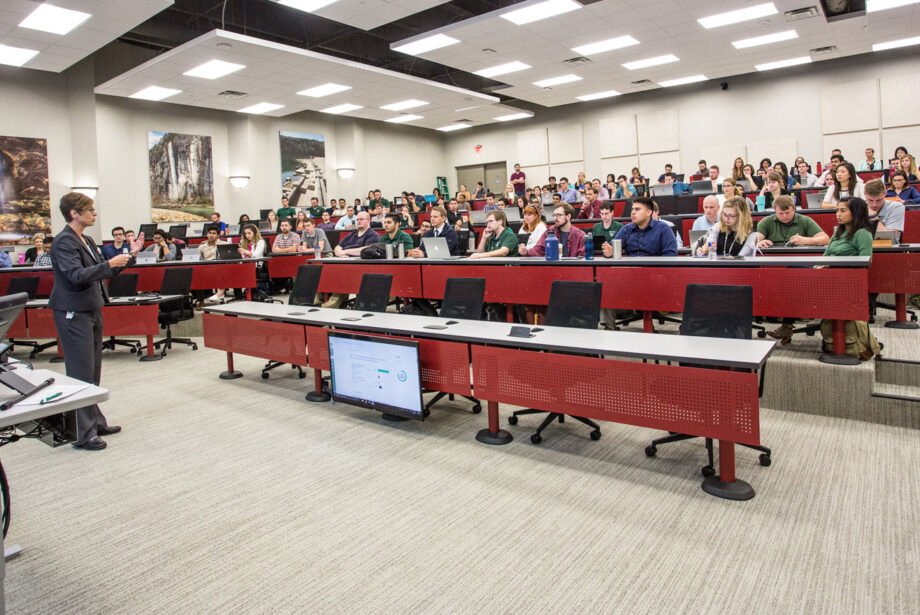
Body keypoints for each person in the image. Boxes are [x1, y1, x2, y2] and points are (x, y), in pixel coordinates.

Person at [49, 192, 143, 450]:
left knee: (92, 370)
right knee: (80, 373)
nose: (95, 213)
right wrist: (109, 262)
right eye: (89, 209)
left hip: (91, 308)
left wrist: (129, 255)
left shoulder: (87, 239)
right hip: (73, 311)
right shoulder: (63, 242)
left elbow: (104, 270)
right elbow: (76, 275)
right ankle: (83, 433)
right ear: (74, 213)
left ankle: (95, 420)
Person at [604, 198, 677, 257]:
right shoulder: (626, 229)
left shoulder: (663, 228)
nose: (633, 212)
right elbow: (610, 250)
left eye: (637, 209)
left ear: (649, 212)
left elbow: (670, 255)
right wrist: (609, 253)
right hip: (631, 270)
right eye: (632, 209)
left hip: (654, 271)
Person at [756, 195, 829, 248]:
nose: (784, 216)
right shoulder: (767, 221)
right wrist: (758, 243)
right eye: (780, 213)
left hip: (799, 257)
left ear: (794, 209)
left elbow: (825, 239)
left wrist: (806, 240)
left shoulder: (805, 220)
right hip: (772, 257)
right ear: (775, 211)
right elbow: (752, 241)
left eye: (787, 213)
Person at [519, 203, 585, 257]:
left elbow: (582, 259)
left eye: (559, 215)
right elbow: (539, 249)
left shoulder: (580, 235)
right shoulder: (550, 231)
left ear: (568, 216)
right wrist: (526, 252)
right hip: (553, 268)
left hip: (573, 270)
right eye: (554, 215)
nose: (555, 218)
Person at [198, 224, 228, 306]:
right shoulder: (202, 246)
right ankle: (201, 300)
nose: (211, 235)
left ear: (218, 235)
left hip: (220, 266)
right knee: (195, 276)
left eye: (214, 233)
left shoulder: (224, 244)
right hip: (206, 267)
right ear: (207, 234)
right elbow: (197, 258)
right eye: (210, 233)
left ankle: (220, 293)